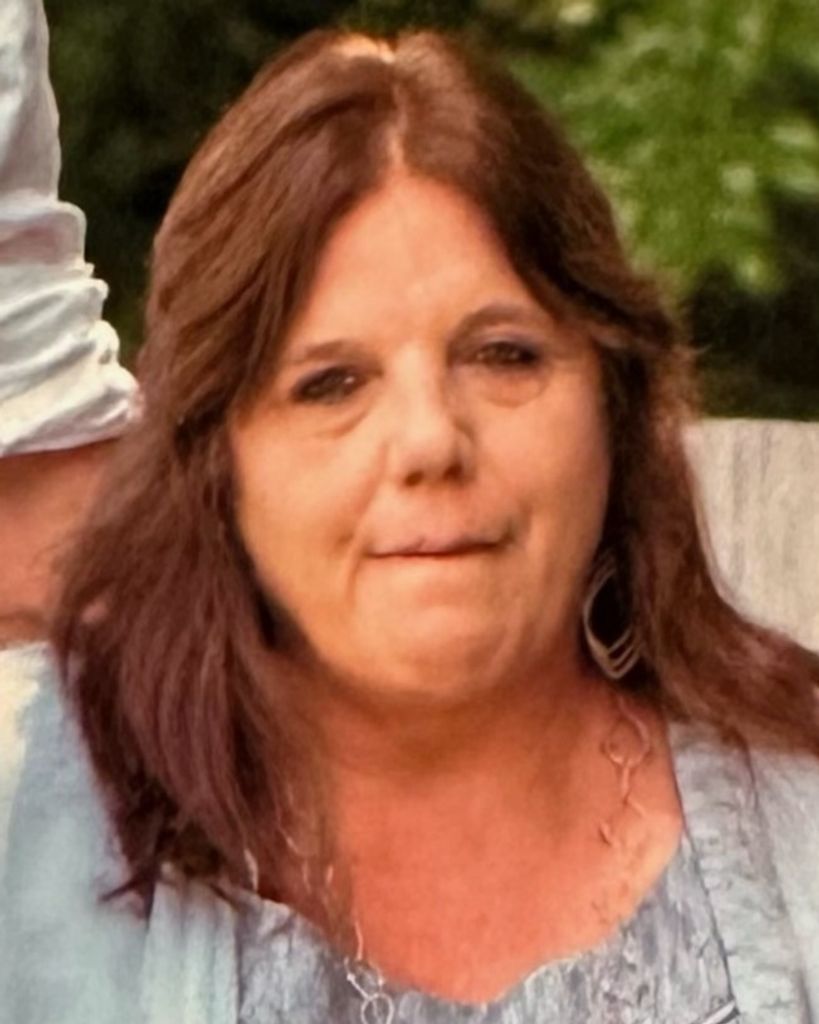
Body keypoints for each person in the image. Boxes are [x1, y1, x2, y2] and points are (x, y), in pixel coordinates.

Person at [1, 3, 819, 1022]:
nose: (431, 441)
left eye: (503, 355)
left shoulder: (799, 838)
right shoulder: (34, 849)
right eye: (332, 384)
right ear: (214, 462)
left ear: (615, 405)